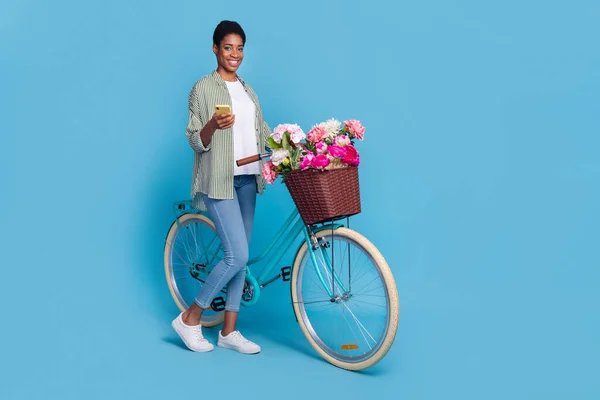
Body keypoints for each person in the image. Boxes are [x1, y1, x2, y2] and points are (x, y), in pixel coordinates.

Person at [171, 20, 271, 354]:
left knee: (241, 261)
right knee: (237, 254)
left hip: (248, 176)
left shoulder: (247, 88)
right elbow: (194, 140)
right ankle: (190, 317)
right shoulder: (202, 89)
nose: (235, 54)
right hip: (220, 179)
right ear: (215, 48)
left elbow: (262, 130)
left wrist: (288, 148)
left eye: (240, 48)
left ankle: (229, 332)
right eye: (228, 47)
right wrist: (213, 124)